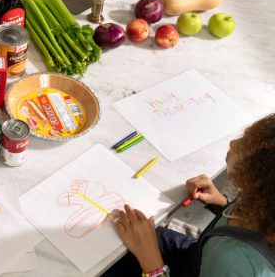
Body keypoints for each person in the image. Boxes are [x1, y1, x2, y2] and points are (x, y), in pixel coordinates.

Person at [106, 113, 275, 277]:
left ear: (255, 177)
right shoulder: (263, 203)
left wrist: (152, 262)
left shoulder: (233, 262)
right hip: (199, 257)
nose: (233, 142)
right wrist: (222, 204)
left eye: (244, 145)